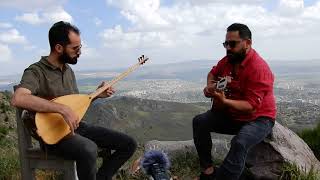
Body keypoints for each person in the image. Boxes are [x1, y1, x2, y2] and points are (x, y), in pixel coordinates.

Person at [11, 21, 137, 180]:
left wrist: (96, 95)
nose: (80, 52)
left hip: (75, 127)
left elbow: (74, 106)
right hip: (53, 136)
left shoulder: (68, 70)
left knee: (128, 144)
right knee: (89, 148)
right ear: (58, 48)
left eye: (80, 47)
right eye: (75, 48)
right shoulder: (36, 71)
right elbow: (19, 98)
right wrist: (62, 109)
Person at [193, 23, 276, 180]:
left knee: (240, 142)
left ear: (248, 43)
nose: (228, 48)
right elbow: (213, 72)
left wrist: (224, 102)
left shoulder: (259, 68)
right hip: (233, 115)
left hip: (259, 119)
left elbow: (251, 106)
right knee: (199, 122)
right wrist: (210, 86)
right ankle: (208, 170)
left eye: (233, 44)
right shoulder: (228, 60)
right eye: (226, 44)